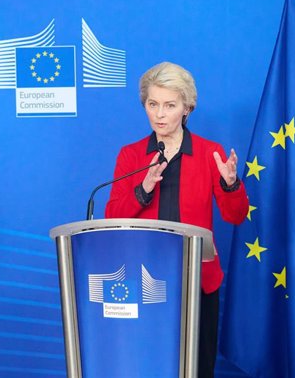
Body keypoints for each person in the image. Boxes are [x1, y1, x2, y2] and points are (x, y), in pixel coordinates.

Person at [105, 62, 248, 378]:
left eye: (169, 105)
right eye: (152, 104)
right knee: (148, 366)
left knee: (196, 367)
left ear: (187, 108)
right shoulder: (130, 155)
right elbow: (113, 218)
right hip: (143, 281)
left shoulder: (210, 153)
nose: (159, 114)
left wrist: (230, 184)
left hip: (198, 281)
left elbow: (235, 215)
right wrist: (143, 188)